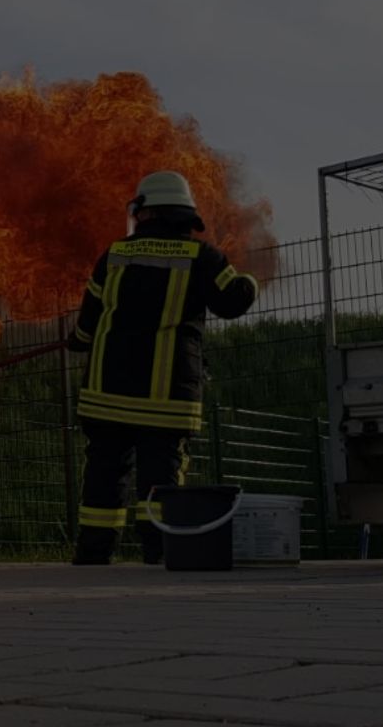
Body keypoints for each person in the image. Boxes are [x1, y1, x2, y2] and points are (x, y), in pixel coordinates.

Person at [66, 171, 258, 565]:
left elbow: (87, 323)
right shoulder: (202, 257)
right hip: (165, 399)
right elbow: (233, 302)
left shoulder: (115, 254)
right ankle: (158, 551)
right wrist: (251, 281)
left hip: (106, 396)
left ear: (145, 210)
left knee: (104, 473)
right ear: (186, 215)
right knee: (160, 479)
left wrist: (78, 340)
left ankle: (94, 553)